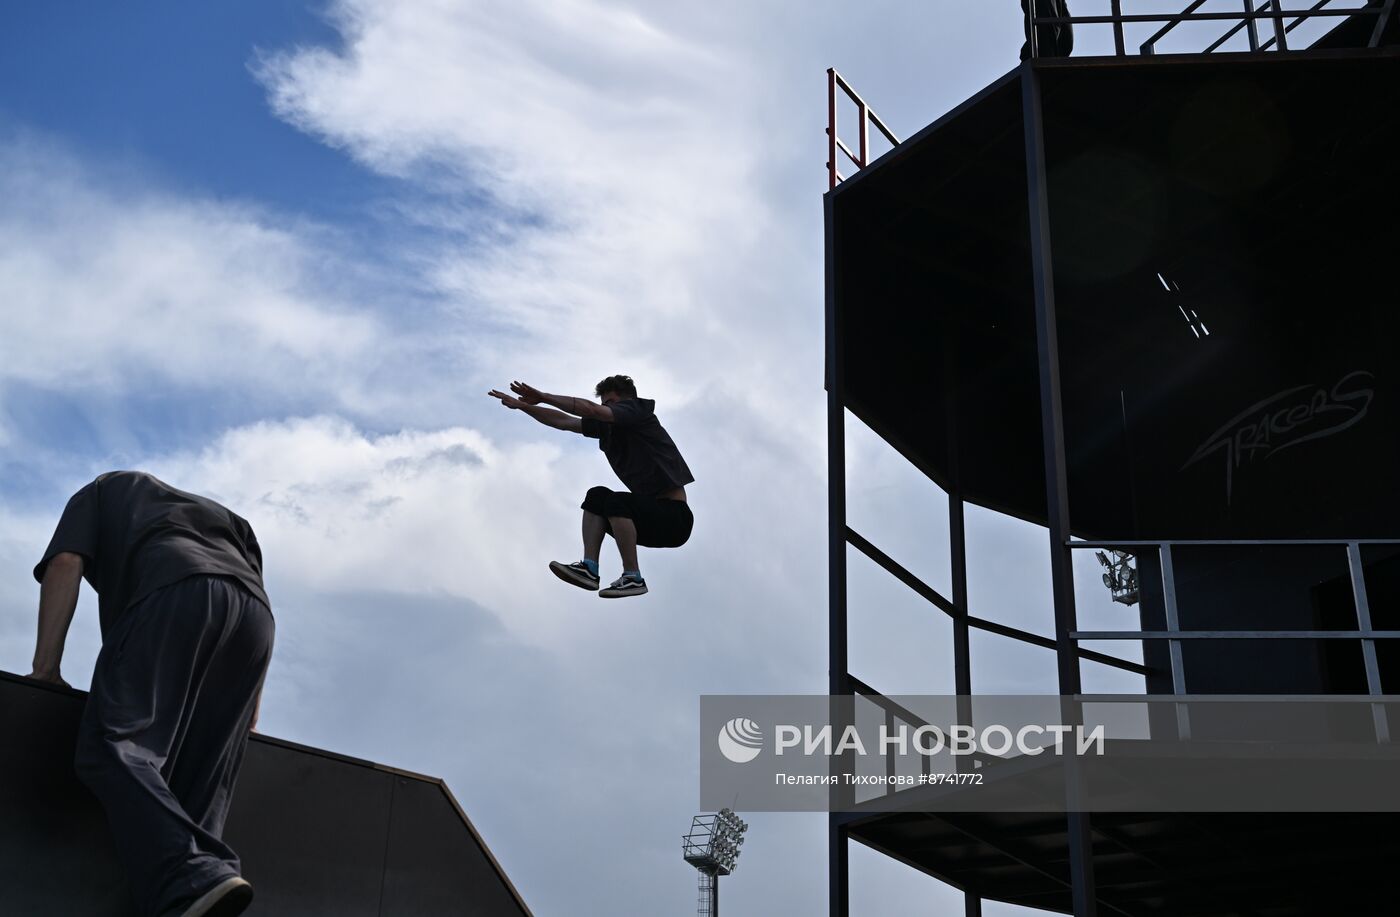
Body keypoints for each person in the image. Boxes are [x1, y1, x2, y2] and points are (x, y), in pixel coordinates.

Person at [28, 471, 274, 917]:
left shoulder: (102, 489)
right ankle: (191, 897)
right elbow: (252, 590)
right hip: (255, 622)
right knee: (198, 790)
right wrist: (248, 703)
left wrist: (45, 669)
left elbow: (65, 561)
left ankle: (196, 876)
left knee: (113, 745)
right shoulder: (229, 521)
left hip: (175, 589)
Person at [488, 375, 694, 598]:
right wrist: (523, 406)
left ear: (625, 401)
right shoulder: (607, 428)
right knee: (597, 496)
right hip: (647, 522)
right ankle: (589, 569)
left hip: (674, 519)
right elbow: (564, 422)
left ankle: (633, 577)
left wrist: (544, 397)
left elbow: (591, 410)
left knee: (617, 501)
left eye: (610, 403)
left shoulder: (637, 411)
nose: (605, 408)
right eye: (604, 403)